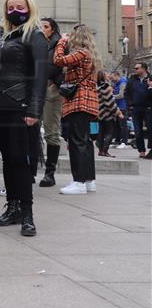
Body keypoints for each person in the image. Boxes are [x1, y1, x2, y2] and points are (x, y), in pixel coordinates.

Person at [0, 0, 47, 236]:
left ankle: (28, 213)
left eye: (20, 6)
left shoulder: (35, 35)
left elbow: (40, 76)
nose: (15, 10)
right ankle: (13, 207)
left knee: (20, 160)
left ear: (29, 8)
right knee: (8, 160)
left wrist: (34, 109)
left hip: (19, 107)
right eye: (11, 7)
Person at [54, 24, 100, 195]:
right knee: (85, 141)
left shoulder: (81, 53)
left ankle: (78, 182)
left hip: (79, 101)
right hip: (88, 101)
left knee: (77, 142)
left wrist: (61, 43)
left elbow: (58, 61)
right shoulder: (90, 54)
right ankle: (89, 181)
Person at [38, 17, 64, 187]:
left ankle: (50, 172)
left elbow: (64, 66)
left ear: (53, 29)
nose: (42, 29)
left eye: (45, 27)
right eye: (40, 27)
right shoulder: (38, 43)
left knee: (51, 132)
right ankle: (32, 168)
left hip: (51, 89)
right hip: (36, 89)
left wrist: (56, 83)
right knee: (30, 129)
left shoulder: (60, 44)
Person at [126, 63, 152, 159]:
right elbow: (127, 93)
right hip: (136, 108)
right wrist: (130, 104)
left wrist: (150, 87)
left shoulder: (150, 78)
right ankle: (141, 150)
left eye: (137, 68)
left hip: (148, 108)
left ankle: (151, 149)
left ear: (144, 69)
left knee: (150, 129)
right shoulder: (132, 80)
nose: (135, 69)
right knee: (137, 131)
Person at [96, 71, 123, 157]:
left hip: (99, 113)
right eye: (106, 74)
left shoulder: (97, 86)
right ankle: (104, 150)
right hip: (107, 114)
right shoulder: (105, 86)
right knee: (110, 132)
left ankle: (101, 150)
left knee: (101, 132)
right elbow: (110, 103)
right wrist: (118, 113)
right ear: (103, 76)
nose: (109, 76)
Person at [111, 71, 129, 148]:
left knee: (123, 125)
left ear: (117, 75)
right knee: (117, 125)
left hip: (123, 106)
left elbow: (121, 95)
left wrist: (111, 96)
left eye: (112, 78)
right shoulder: (116, 83)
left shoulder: (123, 83)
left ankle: (124, 142)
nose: (112, 80)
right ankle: (117, 140)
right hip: (117, 106)